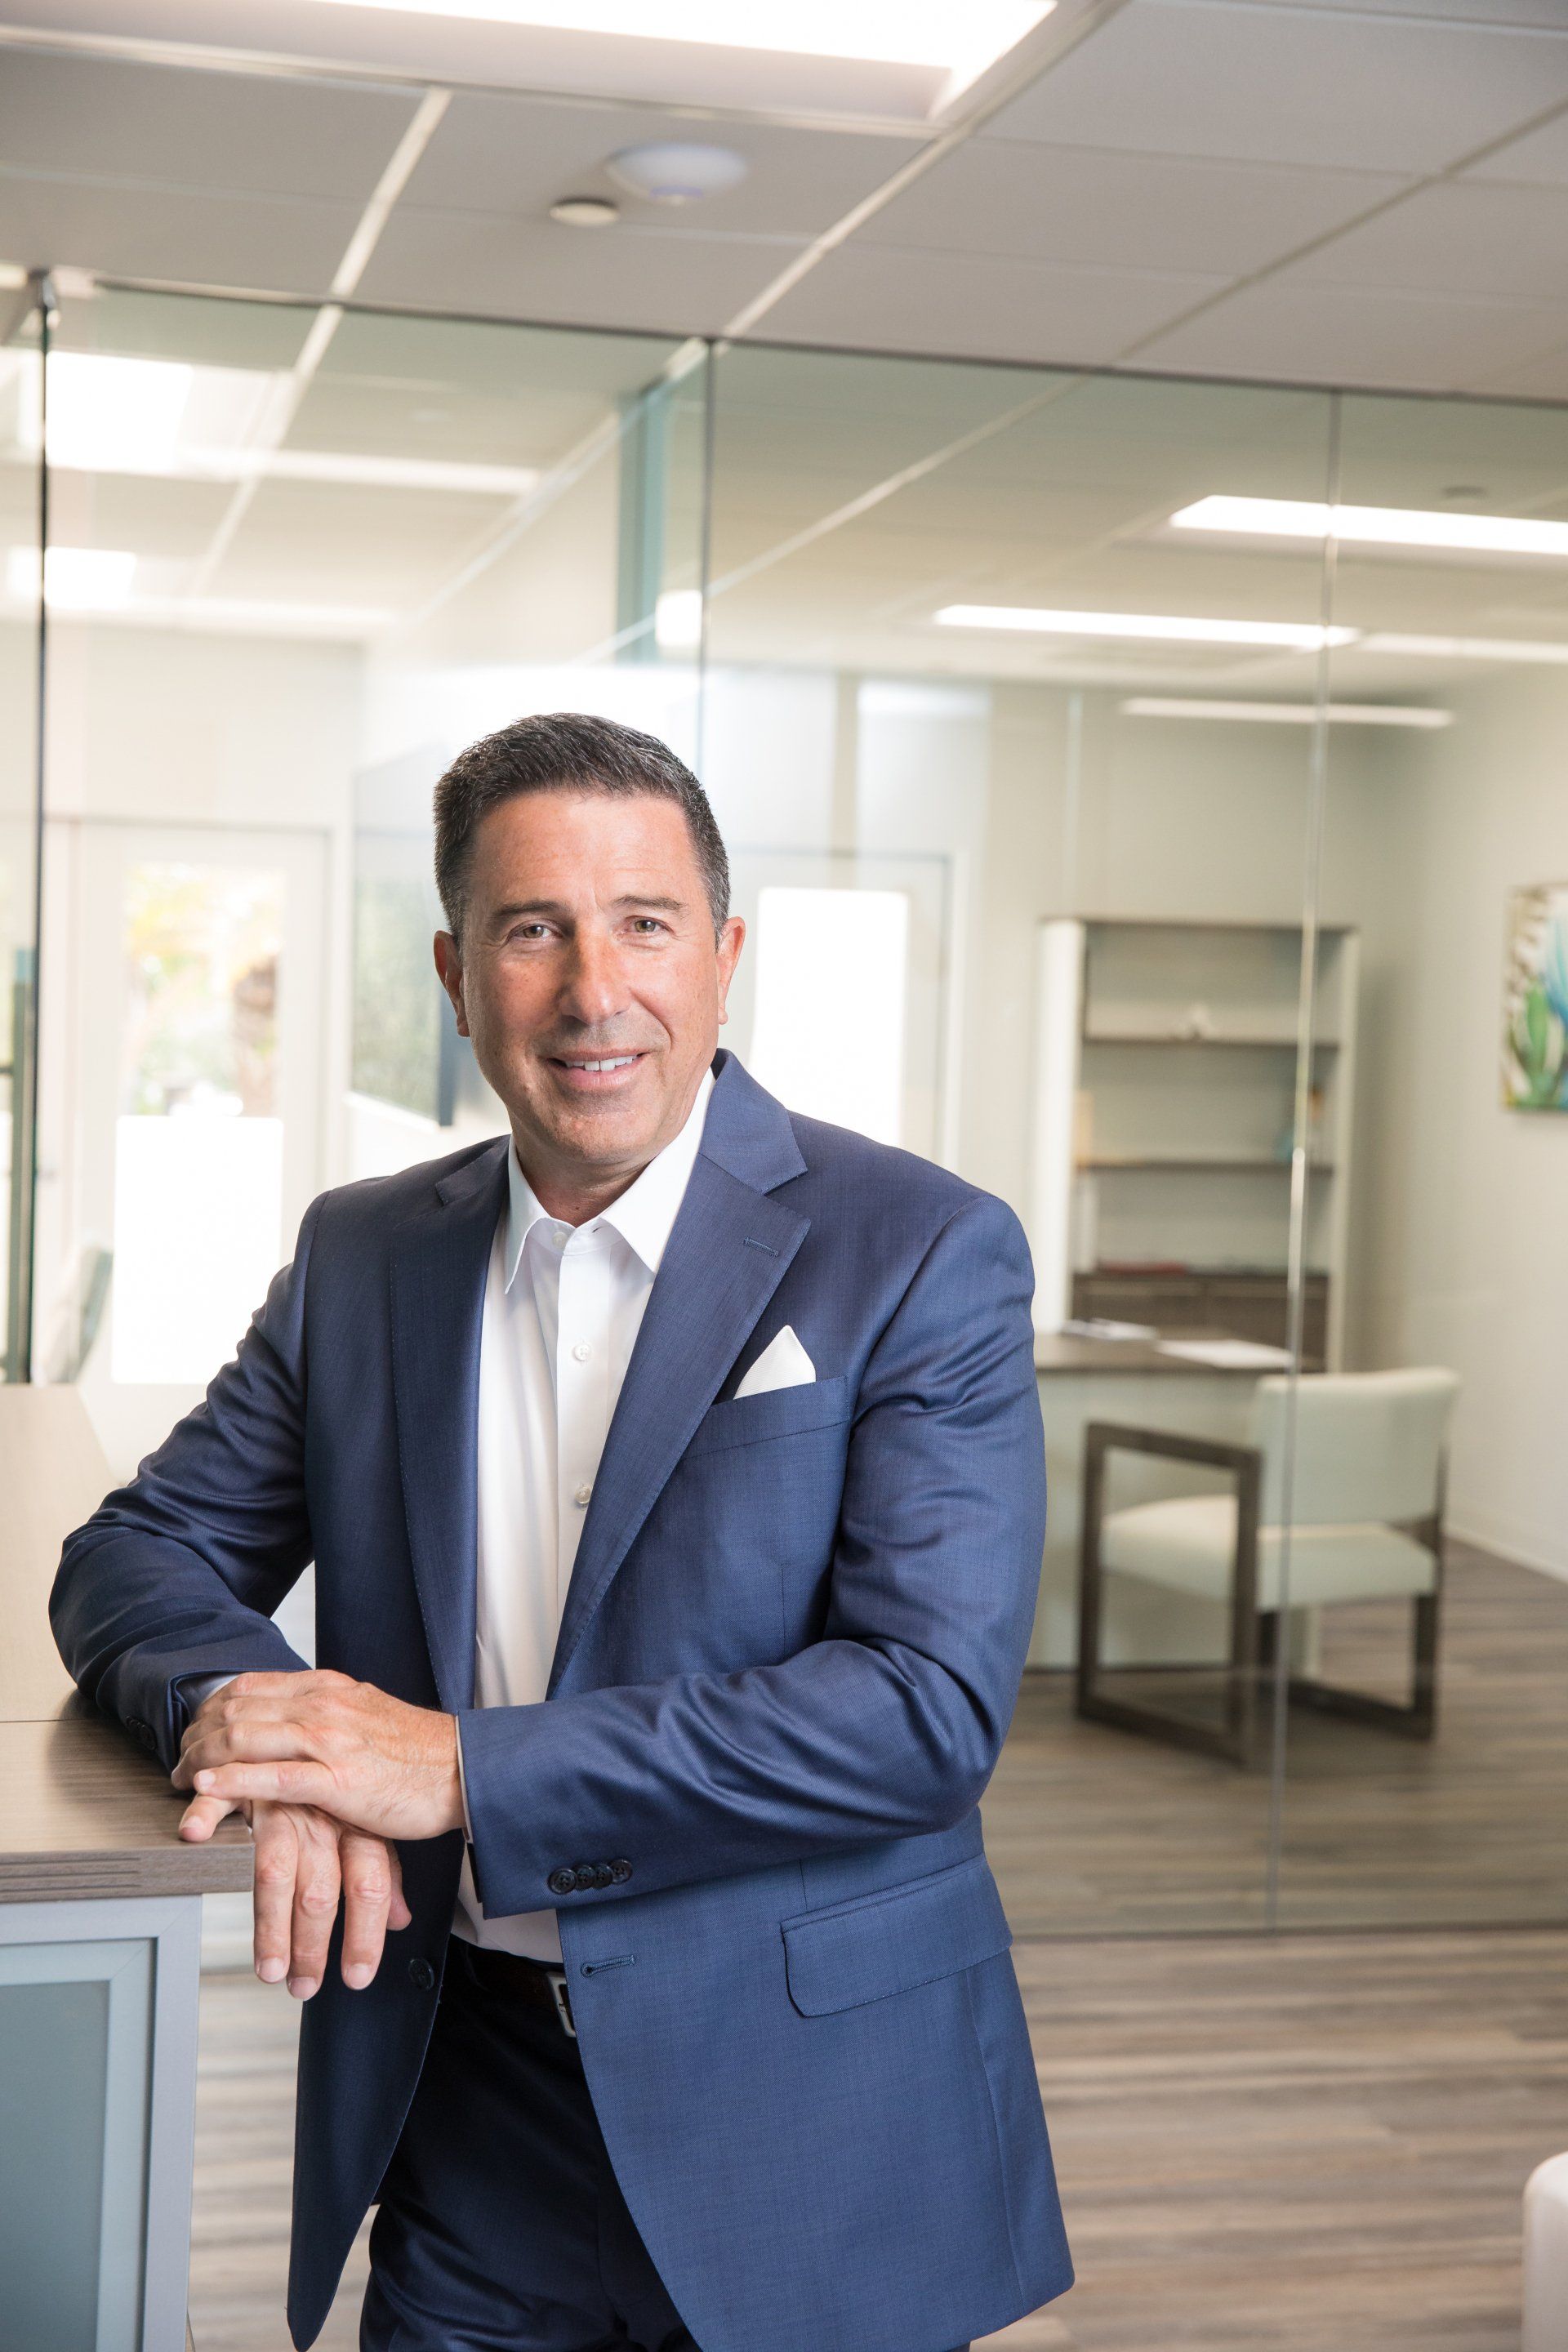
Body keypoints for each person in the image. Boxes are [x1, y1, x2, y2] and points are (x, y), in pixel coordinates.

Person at [51, 712, 1072, 2352]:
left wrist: (449, 1768)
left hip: (809, 2122)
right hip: (473, 2115)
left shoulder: (918, 1252)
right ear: (458, 976)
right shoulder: (367, 1255)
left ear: (726, 956)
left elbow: (921, 1715)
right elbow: (128, 1560)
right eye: (535, 932)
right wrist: (274, 1737)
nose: (597, 993)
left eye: (646, 925)